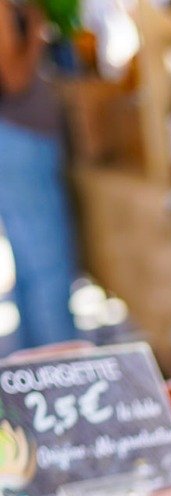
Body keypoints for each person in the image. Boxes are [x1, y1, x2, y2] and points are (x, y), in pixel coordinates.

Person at [0, 0, 78, 349]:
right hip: (21, 139)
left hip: (18, 139)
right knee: (47, 268)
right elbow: (14, 77)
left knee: (33, 268)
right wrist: (35, 30)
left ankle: (38, 371)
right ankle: (59, 374)